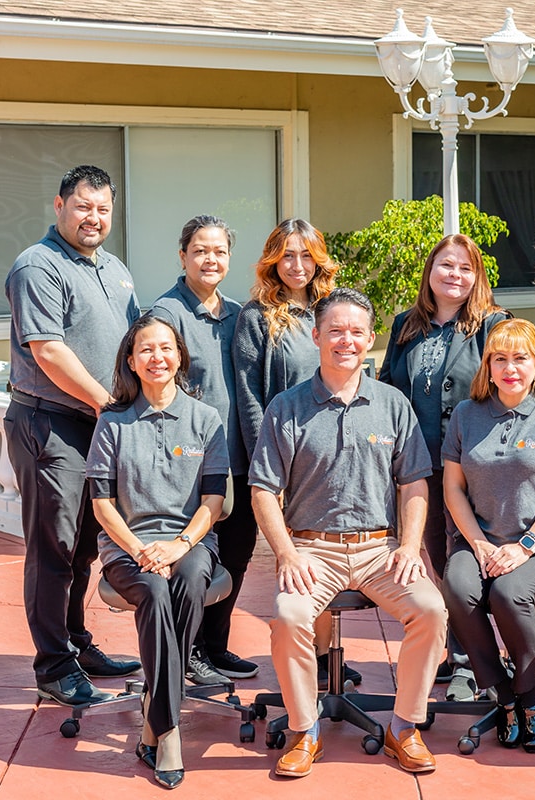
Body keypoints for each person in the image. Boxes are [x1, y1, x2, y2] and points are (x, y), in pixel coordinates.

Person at [249, 287, 448, 779]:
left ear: (371, 338)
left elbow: (414, 483)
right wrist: (287, 554)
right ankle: (303, 730)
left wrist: (407, 545)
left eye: (357, 331)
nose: (346, 340)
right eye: (335, 330)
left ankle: (404, 727)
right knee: (289, 614)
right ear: (316, 336)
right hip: (312, 548)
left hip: (380, 547)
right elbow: (262, 490)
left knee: (430, 609)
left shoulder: (393, 404)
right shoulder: (286, 407)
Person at [4, 164, 141, 707]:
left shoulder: (114, 268)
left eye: (104, 209)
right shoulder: (38, 266)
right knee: (54, 548)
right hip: (52, 423)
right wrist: (109, 404)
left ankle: (78, 644)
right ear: (58, 206)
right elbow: (49, 351)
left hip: (96, 425)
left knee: (85, 545)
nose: (95, 218)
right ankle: (55, 667)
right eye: (84, 206)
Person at [86, 315, 229, 790]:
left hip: (190, 540)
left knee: (187, 580)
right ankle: (167, 734)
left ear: (179, 356)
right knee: (153, 589)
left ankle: (155, 710)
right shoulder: (113, 423)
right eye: (145, 350)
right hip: (129, 546)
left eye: (166, 348)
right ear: (131, 360)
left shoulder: (206, 420)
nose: (157, 358)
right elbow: (102, 504)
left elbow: (213, 502)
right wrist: (142, 551)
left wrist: (179, 545)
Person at [441, 319, 535, 752]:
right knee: (458, 587)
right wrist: (479, 543)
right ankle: (504, 694)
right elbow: (452, 487)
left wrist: (526, 545)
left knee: (506, 592)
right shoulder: (467, 414)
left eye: (519, 358)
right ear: (487, 366)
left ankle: (532, 693)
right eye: (499, 358)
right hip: (480, 538)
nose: (510, 368)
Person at [379, 233, 510, 701]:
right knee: (438, 558)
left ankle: (469, 660)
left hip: (473, 468)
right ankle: (460, 649)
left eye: (465, 268)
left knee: (464, 560)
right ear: (430, 272)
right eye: (445, 265)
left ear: (477, 278)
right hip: (418, 466)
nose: (454, 275)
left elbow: (509, 391)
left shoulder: (492, 325)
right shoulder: (404, 326)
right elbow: (389, 388)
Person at [230, 218, 359, 690]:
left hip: (333, 459)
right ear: (272, 261)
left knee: (327, 559)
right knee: (297, 563)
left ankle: (326, 659)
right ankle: (305, 660)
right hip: (286, 458)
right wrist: (267, 467)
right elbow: (248, 397)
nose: (297, 265)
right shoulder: (256, 316)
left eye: (306, 255)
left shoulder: (332, 310)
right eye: (287, 255)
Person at [151, 215, 258, 686]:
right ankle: (188, 650)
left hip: (238, 459)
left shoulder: (239, 315)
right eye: (200, 250)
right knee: (194, 562)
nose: (210, 259)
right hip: (188, 468)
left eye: (219, 251)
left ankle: (214, 646)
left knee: (235, 556)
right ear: (183, 256)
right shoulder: (165, 314)